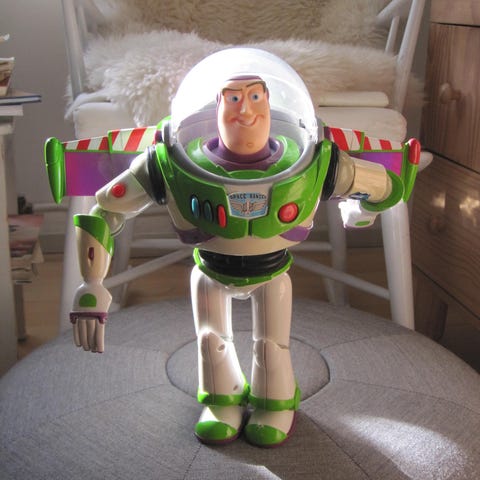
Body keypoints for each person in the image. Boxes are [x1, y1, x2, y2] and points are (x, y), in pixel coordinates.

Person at [46, 48, 416, 448]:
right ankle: (221, 401)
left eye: (256, 97)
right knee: (211, 338)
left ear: (270, 103)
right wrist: (92, 284)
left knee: (272, 344)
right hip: (210, 269)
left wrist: (360, 207)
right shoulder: (167, 161)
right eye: (234, 98)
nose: (246, 111)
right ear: (217, 104)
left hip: (271, 272)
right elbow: (105, 209)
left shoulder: (316, 160)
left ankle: (275, 404)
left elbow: (386, 185)